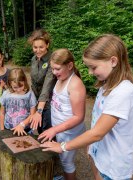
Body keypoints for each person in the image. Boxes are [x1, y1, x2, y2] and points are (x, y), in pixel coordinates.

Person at [40, 34, 133, 180]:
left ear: (113, 61)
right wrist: (92, 148)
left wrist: (62, 146)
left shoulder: (124, 91)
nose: (90, 72)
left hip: (114, 166)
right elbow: (97, 123)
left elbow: (97, 133)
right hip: (99, 155)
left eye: (93, 67)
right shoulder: (105, 87)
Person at [38, 48, 86, 180]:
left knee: (67, 162)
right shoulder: (61, 78)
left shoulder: (75, 84)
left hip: (69, 132)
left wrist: (54, 129)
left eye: (57, 69)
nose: (54, 72)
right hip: (60, 129)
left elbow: (78, 116)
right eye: (52, 69)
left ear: (70, 66)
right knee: (63, 158)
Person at [27, 29, 57, 133]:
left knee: (48, 131)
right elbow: (33, 82)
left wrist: (39, 110)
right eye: (35, 47)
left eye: (41, 47)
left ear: (47, 45)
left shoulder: (52, 60)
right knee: (39, 130)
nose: (38, 50)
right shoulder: (33, 59)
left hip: (49, 102)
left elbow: (47, 85)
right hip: (37, 101)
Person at [0, 68, 37, 136]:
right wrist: (2, 130)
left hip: (25, 129)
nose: (18, 90)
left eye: (21, 86)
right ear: (10, 83)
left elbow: (32, 114)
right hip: (8, 129)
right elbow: (2, 113)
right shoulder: (6, 94)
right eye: (15, 87)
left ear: (24, 81)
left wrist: (22, 125)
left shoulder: (30, 94)